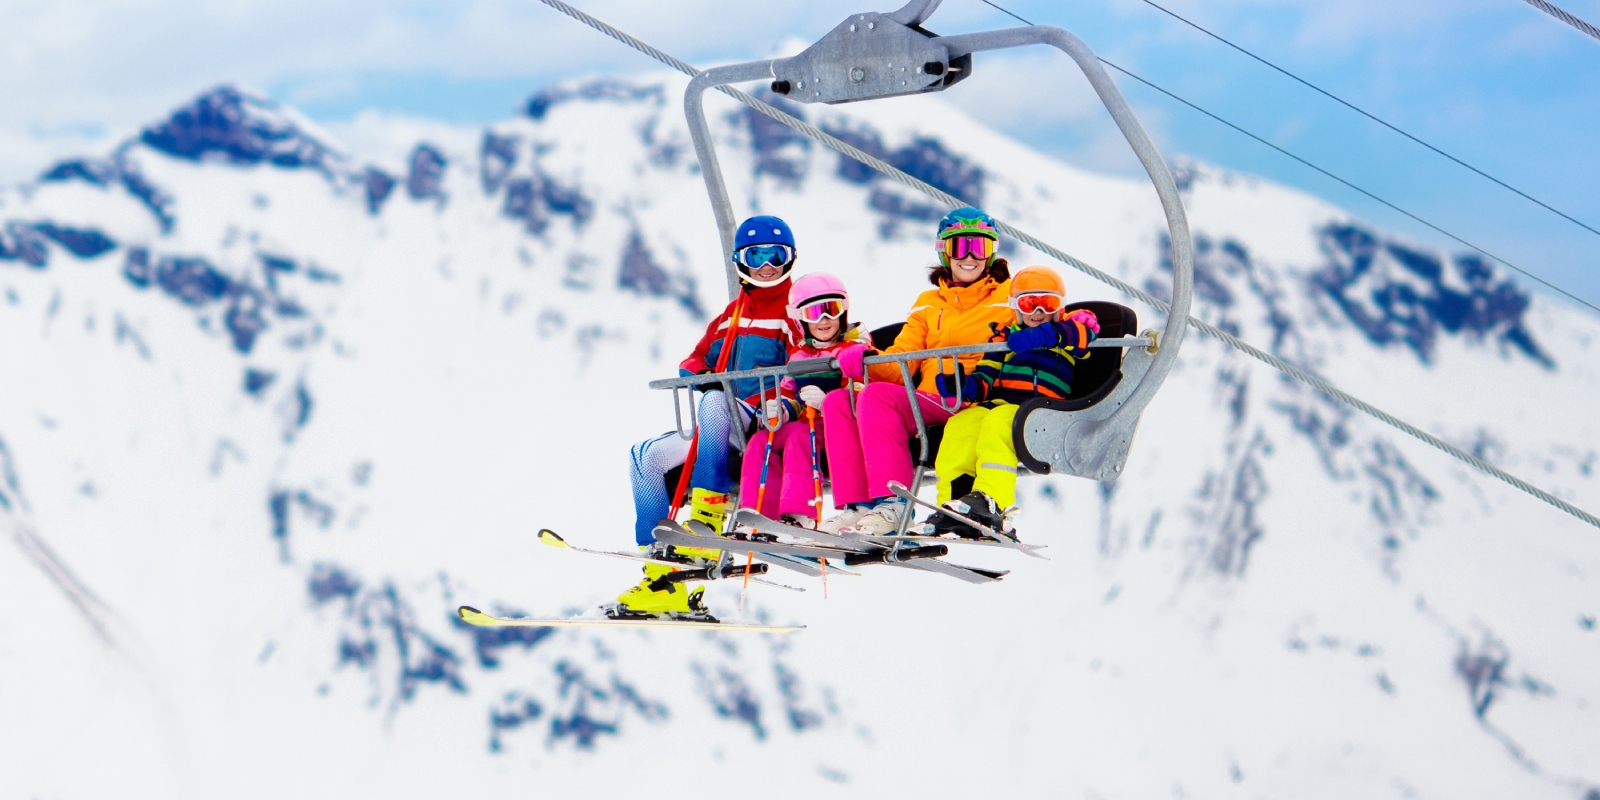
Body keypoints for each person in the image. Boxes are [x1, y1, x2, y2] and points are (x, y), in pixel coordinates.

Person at [614, 215, 804, 620]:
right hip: (721, 419)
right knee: (644, 455)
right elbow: (693, 360)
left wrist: (779, 398)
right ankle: (661, 571)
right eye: (756, 256)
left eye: (776, 255)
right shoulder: (733, 314)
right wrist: (703, 375)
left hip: (764, 419)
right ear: (740, 261)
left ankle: (707, 521)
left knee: (716, 402)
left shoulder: (793, 309)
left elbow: (804, 364)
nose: (766, 265)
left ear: (790, 258)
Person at [820, 207, 1016, 535]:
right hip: (931, 399)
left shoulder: (1007, 296)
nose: (970, 257)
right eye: (960, 247)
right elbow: (902, 362)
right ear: (944, 252)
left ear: (992, 252)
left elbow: (1042, 310)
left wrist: (1079, 321)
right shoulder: (928, 302)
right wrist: (868, 359)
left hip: (973, 397)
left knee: (876, 396)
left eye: (979, 247)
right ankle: (859, 506)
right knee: (842, 400)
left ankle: (895, 506)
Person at [927, 265, 1099, 538]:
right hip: (1005, 405)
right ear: (1015, 307)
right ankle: (954, 504)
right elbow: (985, 378)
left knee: (1000, 422)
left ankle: (991, 502)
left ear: (1060, 307)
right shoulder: (1004, 339)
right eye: (1028, 304)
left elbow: (1085, 336)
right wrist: (962, 388)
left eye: (1047, 303)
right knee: (961, 425)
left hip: (1046, 411)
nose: (1038, 311)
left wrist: (1045, 335)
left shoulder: (1068, 331)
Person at [737, 272, 864, 527]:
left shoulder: (854, 351)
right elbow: (789, 391)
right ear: (800, 320)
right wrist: (782, 408)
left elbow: (863, 392)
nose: (823, 320)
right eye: (813, 313)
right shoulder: (799, 356)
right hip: (807, 421)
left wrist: (829, 402)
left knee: (799, 436)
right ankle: (758, 514)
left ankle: (799, 514)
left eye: (831, 309)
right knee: (760, 440)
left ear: (843, 312)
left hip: (839, 425)